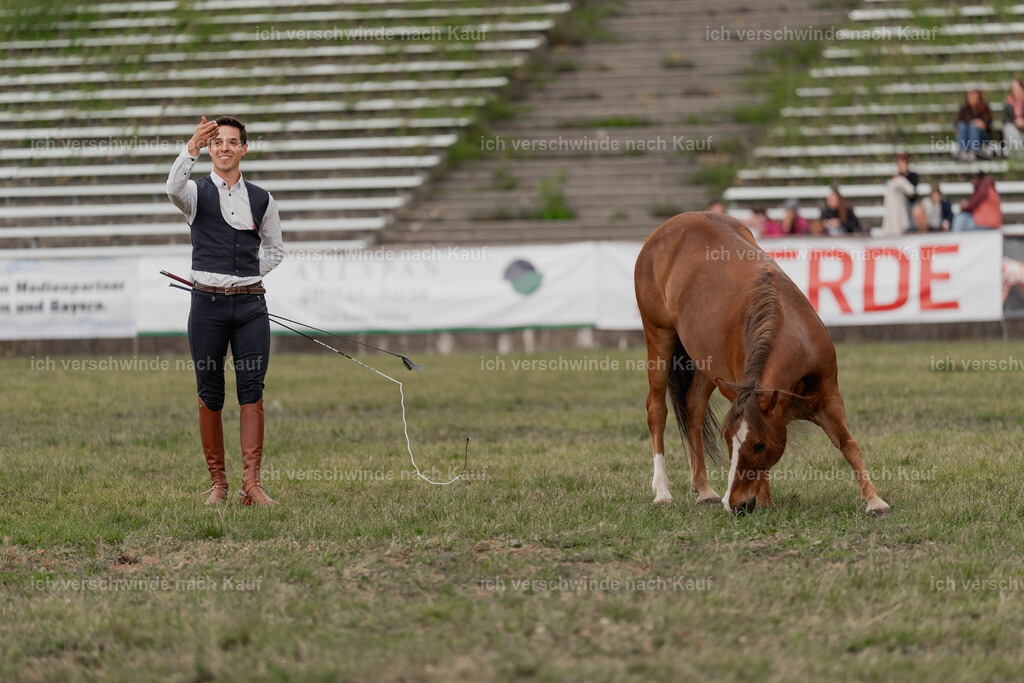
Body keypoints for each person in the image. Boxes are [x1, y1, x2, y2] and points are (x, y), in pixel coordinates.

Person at [166, 116, 285, 506]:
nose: (225, 148)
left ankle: (252, 485)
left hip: (251, 307)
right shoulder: (194, 193)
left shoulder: (263, 198)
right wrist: (191, 148)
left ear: (244, 149)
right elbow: (172, 187)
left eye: (233, 142)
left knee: (252, 390)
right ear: (210, 148)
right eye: (217, 142)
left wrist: (246, 276)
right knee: (210, 392)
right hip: (207, 308)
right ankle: (218, 483)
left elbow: (275, 251)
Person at [881, 153, 919, 236]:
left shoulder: (912, 176)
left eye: (902, 162)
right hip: (900, 205)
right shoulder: (897, 177)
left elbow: (913, 193)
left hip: (910, 204)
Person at [955, 89, 993, 161]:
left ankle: (973, 152)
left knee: (973, 126)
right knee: (962, 126)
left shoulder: (985, 109)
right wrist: (975, 121)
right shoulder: (963, 109)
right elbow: (958, 123)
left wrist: (983, 125)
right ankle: (963, 152)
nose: (972, 98)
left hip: (982, 137)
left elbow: (989, 126)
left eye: (974, 95)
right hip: (966, 137)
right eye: (970, 95)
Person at [1002, 78, 1024, 159]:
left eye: (1018, 88)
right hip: (1013, 133)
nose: (1016, 91)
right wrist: (1015, 123)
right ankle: (1019, 153)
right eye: (1014, 89)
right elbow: (1005, 121)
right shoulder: (1008, 105)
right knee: (1008, 128)